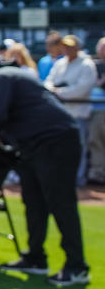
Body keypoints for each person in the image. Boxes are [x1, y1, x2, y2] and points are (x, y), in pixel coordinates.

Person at [0, 45, 90, 286]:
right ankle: (35, 258)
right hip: (34, 145)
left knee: (61, 202)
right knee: (33, 200)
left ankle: (77, 266)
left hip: (55, 141)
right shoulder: (9, 74)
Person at [45, 34, 98, 186]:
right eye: (64, 46)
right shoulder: (60, 63)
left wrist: (59, 92)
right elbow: (48, 82)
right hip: (59, 113)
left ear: (77, 47)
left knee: (78, 147)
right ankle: (62, 178)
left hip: (78, 113)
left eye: (70, 46)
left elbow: (82, 89)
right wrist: (54, 90)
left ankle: (77, 179)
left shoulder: (86, 64)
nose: (66, 49)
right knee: (59, 148)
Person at [84, 36, 105, 185]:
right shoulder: (93, 65)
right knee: (94, 141)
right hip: (93, 109)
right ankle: (97, 174)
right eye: (101, 48)